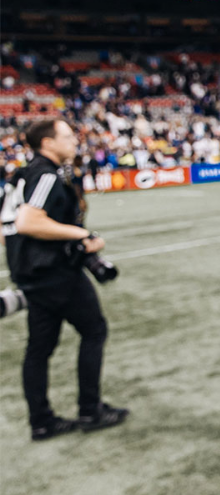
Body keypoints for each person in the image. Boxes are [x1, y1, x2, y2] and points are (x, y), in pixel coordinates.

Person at [0, 119, 128, 441]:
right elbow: (28, 221)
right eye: (68, 136)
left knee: (39, 348)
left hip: (32, 274)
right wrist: (82, 235)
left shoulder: (23, 174)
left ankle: (41, 421)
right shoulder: (44, 174)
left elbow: (9, 228)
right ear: (47, 143)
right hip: (54, 274)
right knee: (94, 330)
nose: (75, 141)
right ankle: (90, 409)